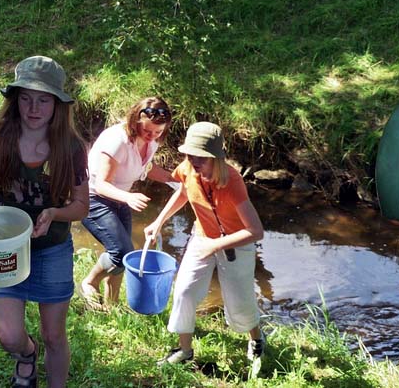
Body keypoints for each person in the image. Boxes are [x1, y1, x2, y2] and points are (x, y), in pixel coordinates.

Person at [0, 56, 88, 388]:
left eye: (43, 99)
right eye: (26, 97)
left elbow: (81, 206)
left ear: (57, 104)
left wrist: (54, 213)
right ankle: (27, 357)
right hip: (5, 249)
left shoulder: (70, 148)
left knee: (54, 336)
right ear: (15, 101)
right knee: (10, 336)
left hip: (52, 249)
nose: (33, 107)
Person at [144, 121, 266, 365]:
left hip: (236, 242)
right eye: (189, 154)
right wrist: (158, 222)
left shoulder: (232, 181)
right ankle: (185, 351)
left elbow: (256, 231)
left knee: (240, 301)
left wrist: (217, 246)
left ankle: (256, 338)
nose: (193, 160)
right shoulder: (188, 168)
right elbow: (182, 192)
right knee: (184, 291)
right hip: (203, 237)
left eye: (200, 156)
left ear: (215, 157)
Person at [79, 96, 174, 308]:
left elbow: (145, 167)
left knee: (126, 253)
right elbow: (101, 184)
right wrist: (129, 197)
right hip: (93, 199)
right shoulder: (117, 140)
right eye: (147, 131)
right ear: (134, 121)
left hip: (119, 199)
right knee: (121, 252)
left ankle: (112, 305)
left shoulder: (151, 141)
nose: (151, 137)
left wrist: (171, 177)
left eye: (158, 132)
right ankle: (89, 282)